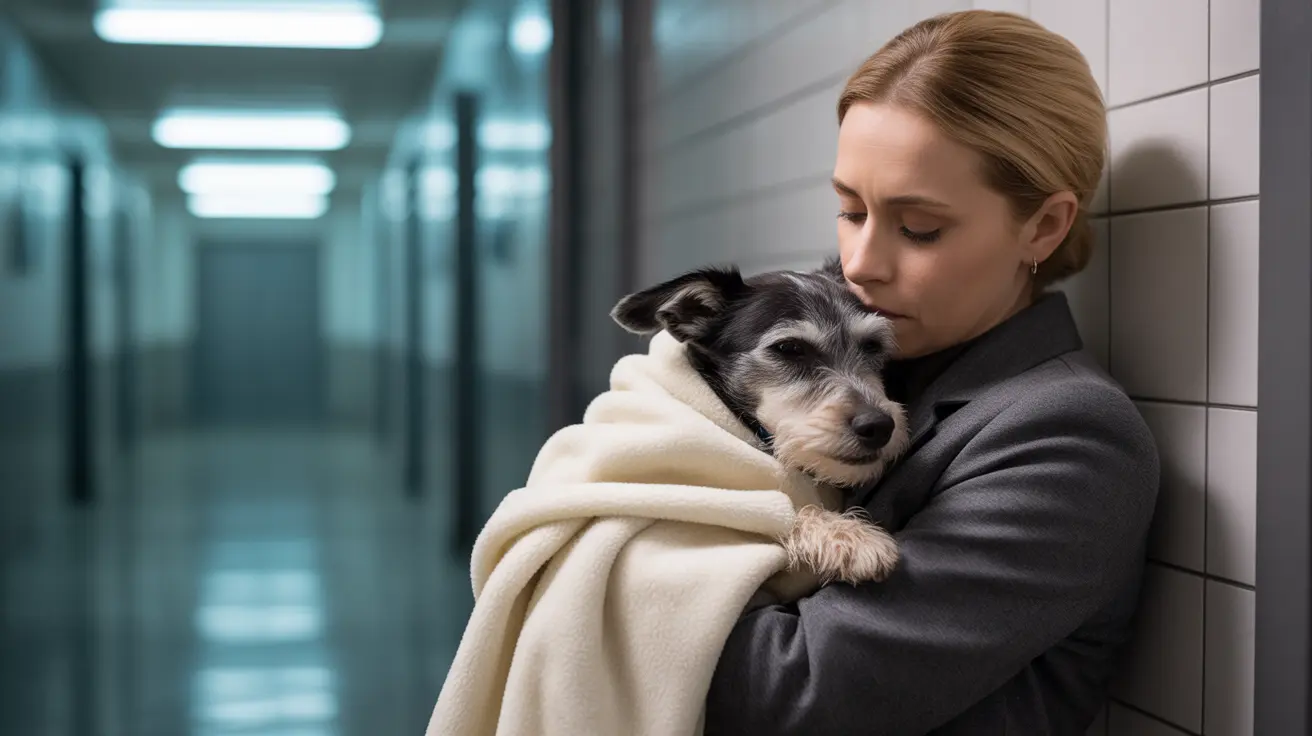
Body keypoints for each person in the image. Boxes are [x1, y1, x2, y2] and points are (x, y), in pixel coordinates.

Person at [702, 10, 1160, 735]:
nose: (860, 264)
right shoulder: (892, 361)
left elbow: (795, 697)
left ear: (1042, 227)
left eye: (918, 229)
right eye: (851, 212)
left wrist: (604, 584)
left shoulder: (1068, 436)